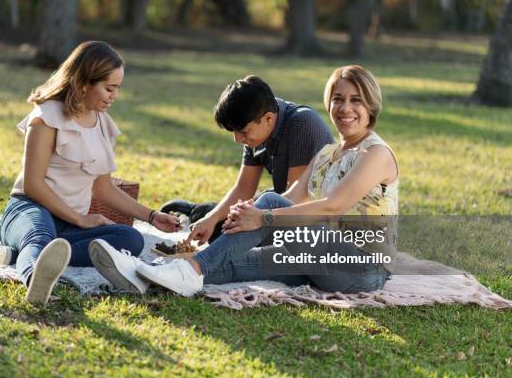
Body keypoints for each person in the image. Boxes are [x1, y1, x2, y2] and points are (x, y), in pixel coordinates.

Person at [94, 65, 399, 296]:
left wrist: (263, 215)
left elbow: (332, 207)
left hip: (363, 269)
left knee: (265, 204)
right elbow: (292, 198)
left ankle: (191, 268)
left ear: (371, 105)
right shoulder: (329, 153)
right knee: (231, 264)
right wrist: (245, 217)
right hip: (322, 257)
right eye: (338, 99)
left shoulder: (376, 153)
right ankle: (147, 274)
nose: (345, 108)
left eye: (356, 100)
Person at [0, 41, 180, 304]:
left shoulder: (103, 124)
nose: (114, 96)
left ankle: (21, 254)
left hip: (69, 224)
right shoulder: (46, 117)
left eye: (117, 89)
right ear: (83, 83)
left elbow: (102, 188)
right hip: (30, 209)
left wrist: (152, 216)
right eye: (109, 88)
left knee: (130, 239)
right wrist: (81, 219)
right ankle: (34, 276)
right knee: (40, 234)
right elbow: (33, 185)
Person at [162, 75, 334, 244]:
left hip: (311, 222)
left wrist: (249, 217)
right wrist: (210, 218)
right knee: (216, 225)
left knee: (234, 233)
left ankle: (198, 212)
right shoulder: (256, 127)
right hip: (274, 209)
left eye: (243, 132)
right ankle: (200, 212)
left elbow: (293, 202)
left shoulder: (302, 123)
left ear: (268, 118)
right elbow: (244, 188)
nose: (237, 139)